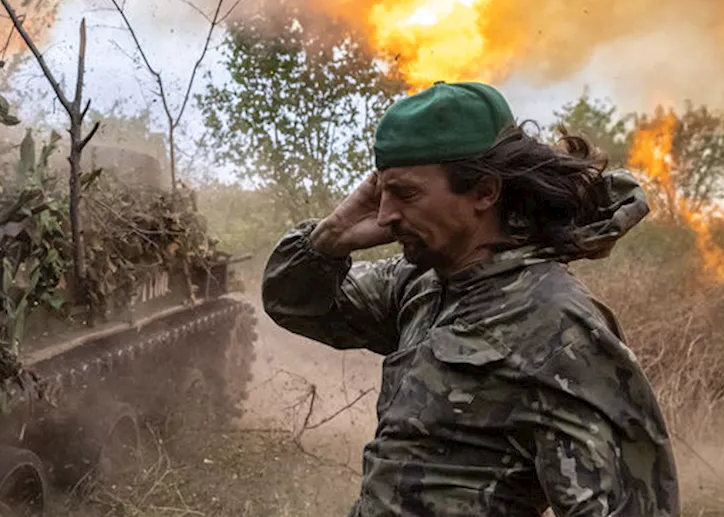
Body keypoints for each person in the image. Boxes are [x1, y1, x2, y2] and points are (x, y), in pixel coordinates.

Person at [262, 81, 679, 517]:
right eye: (380, 192)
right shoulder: (417, 285)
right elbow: (294, 305)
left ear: (485, 191)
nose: (384, 216)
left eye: (405, 194)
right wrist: (329, 240)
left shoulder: (556, 324)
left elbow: (630, 506)